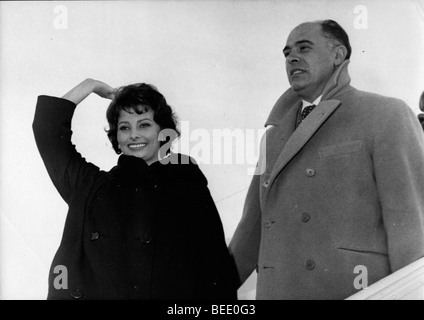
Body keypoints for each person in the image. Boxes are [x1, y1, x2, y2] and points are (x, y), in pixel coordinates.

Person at [229, 20, 424, 300]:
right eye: (287, 53)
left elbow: (410, 224)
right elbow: (252, 227)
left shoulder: (387, 114)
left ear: (338, 55)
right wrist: (209, 290)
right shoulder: (271, 138)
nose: (292, 57)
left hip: (352, 291)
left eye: (304, 48)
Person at [33, 79, 238, 300]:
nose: (134, 135)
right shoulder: (91, 187)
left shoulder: (188, 186)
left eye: (144, 125)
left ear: (163, 132)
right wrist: (89, 86)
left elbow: (216, 270)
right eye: (124, 127)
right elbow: (48, 132)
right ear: (116, 137)